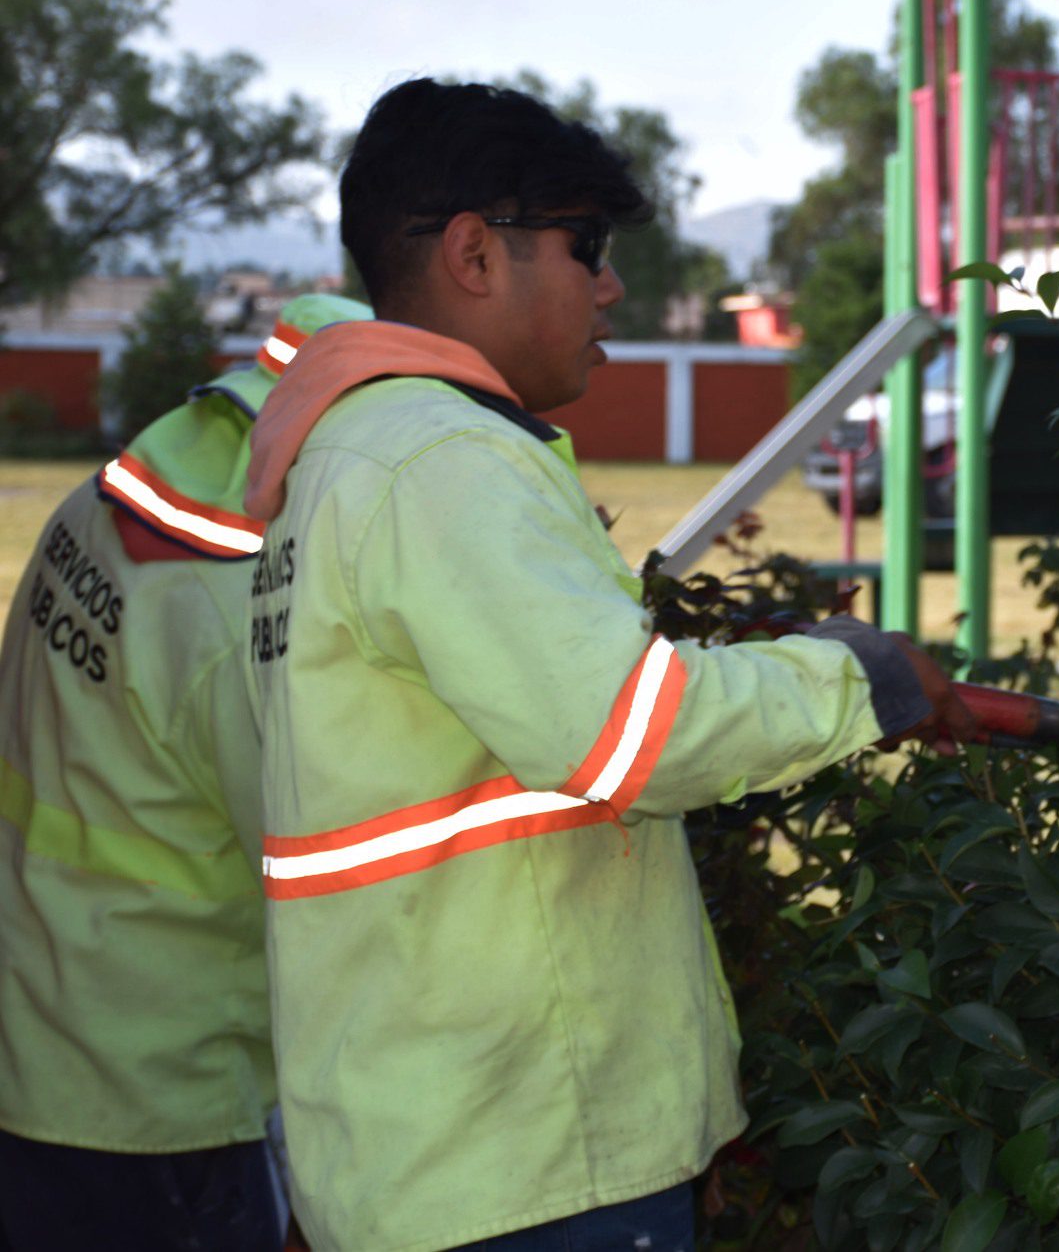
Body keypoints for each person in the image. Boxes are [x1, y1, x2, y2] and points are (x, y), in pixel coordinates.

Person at [243, 78, 979, 1252]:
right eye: (586, 248)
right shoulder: (440, 461)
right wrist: (865, 677)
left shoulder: (350, 458)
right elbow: (634, 733)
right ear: (476, 254)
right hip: (523, 1152)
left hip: (422, 1139)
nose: (611, 284)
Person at [0, 293, 373, 1251]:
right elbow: (334, 889)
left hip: (39, 1042)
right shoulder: (235, 613)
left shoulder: (102, 505)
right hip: (160, 1099)